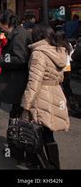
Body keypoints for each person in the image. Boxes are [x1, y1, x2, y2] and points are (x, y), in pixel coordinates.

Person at [21, 23, 70, 169]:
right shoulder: (59, 50)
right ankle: (54, 165)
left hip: (41, 95)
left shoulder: (39, 53)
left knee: (36, 133)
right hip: (56, 91)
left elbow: (34, 81)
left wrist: (26, 105)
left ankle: (44, 165)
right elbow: (62, 77)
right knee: (48, 133)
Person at [0, 10, 32, 159]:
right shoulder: (19, 33)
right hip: (19, 80)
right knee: (18, 114)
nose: (0, 27)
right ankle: (16, 146)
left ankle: (16, 147)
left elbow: (20, 58)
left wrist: (3, 61)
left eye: (1, 25)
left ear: (6, 24)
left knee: (16, 116)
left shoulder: (18, 36)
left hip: (18, 81)